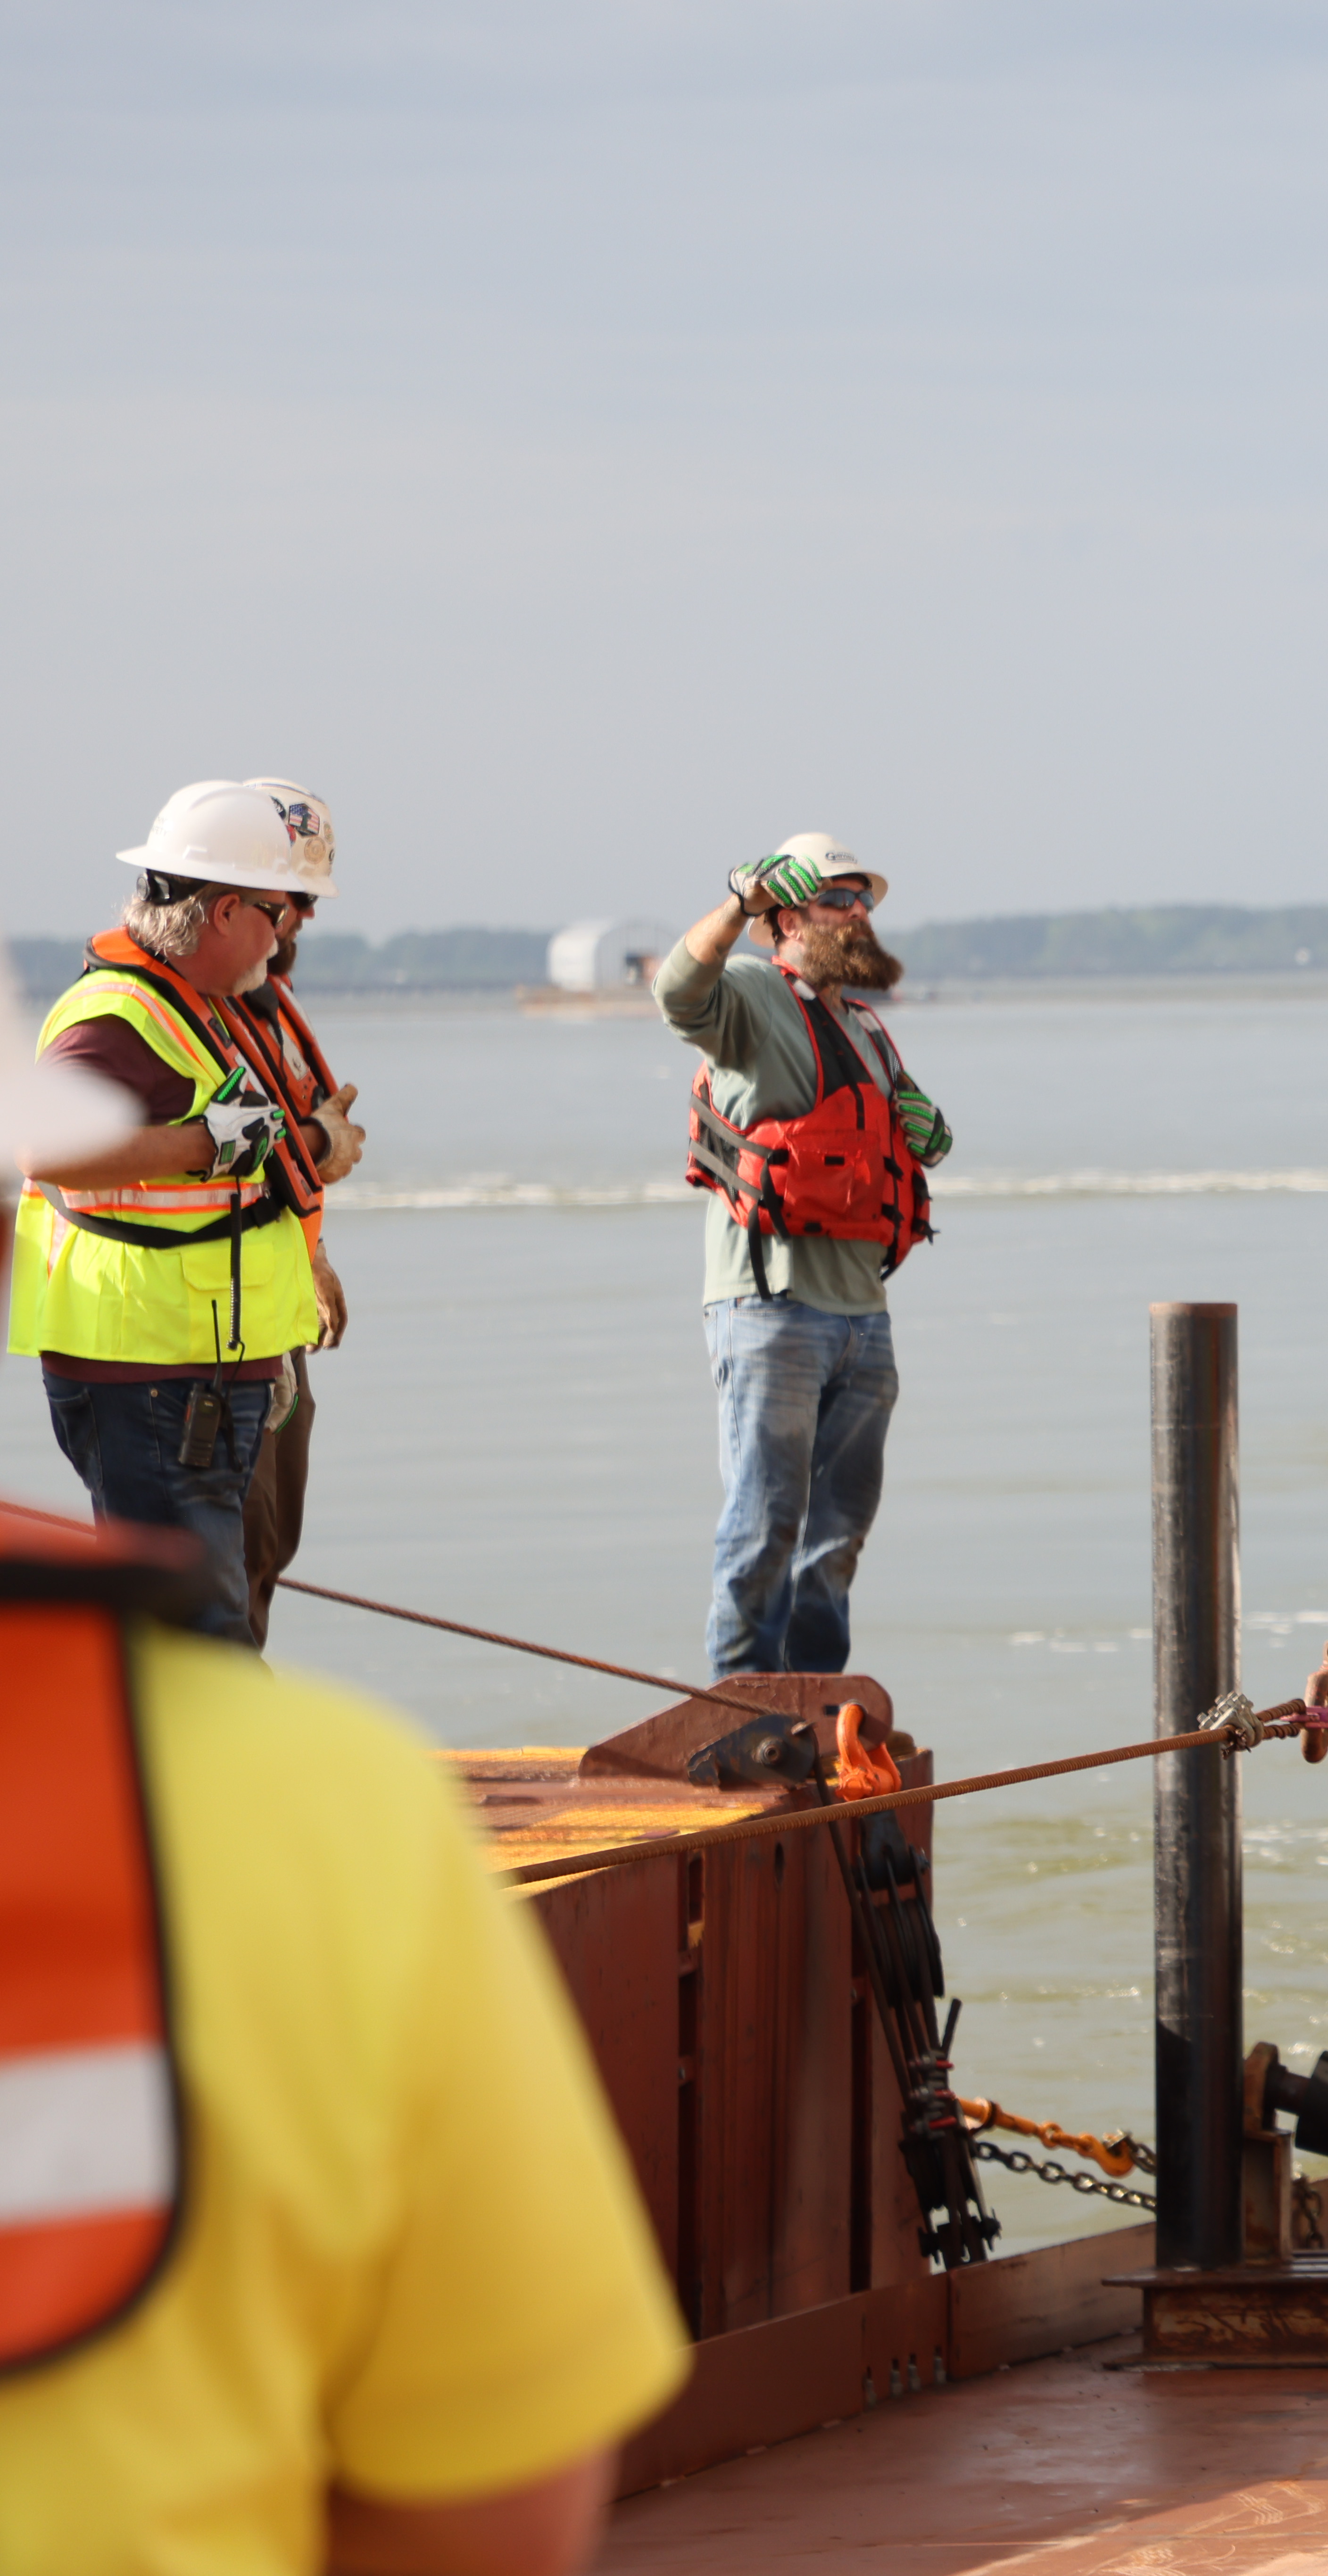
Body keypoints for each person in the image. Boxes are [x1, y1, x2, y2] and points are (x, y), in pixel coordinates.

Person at [0, 925, 689, 2576]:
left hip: (237, 1352)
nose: (291, 931)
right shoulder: (300, 1810)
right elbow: (492, 2498)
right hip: (174, 1376)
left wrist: (291, 1235)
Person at [11, 781, 352, 1642]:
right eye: (278, 911)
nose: (286, 931)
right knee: (196, 1637)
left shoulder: (197, 1002)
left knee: (208, 1621)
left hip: (194, 1362)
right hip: (151, 1370)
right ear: (227, 910)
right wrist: (206, 1143)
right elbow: (42, 1148)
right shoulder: (119, 1016)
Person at [660, 833, 951, 1676]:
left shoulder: (867, 1030)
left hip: (864, 1319)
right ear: (789, 919)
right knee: (764, 1525)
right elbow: (678, 991)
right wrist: (737, 903)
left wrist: (932, 1134)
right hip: (771, 1308)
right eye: (838, 900)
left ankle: (817, 1704)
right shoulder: (754, 994)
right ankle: (743, 1705)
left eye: (865, 901)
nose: (859, 914)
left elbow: (903, 1143)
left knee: (838, 1537)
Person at [233, 778, 365, 1647]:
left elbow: (274, 1168)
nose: (306, 921)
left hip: (271, 1310)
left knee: (270, 1540)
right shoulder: (182, 1012)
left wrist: (313, 1259)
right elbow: (223, 1156)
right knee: (233, 1547)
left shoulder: (267, 1008)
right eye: (297, 900)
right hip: (203, 1337)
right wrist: (321, 1143)